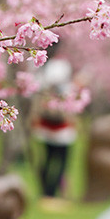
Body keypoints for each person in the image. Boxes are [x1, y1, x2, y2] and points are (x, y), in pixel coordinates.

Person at [32, 47, 79, 205]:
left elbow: (37, 110)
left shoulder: (44, 89)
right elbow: (73, 113)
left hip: (45, 130)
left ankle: (46, 192)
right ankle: (52, 192)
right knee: (61, 163)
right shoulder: (69, 90)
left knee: (47, 160)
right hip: (63, 133)